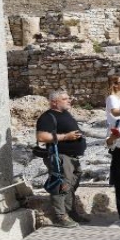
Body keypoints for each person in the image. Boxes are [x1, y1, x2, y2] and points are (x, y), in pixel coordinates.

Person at [36, 90, 88, 228]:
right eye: (64, 98)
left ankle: (70, 211)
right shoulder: (47, 117)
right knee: (61, 185)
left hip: (72, 157)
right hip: (60, 157)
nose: (69, 100)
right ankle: (61, 216)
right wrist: (66, 137)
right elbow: (41, 137)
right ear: (54, 102)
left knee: (70, 184)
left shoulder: (65, 113)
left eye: (68, 98)